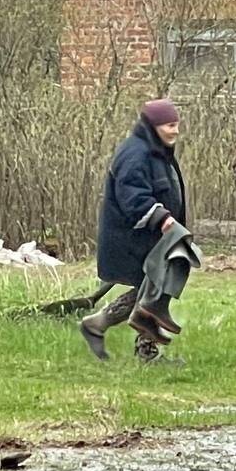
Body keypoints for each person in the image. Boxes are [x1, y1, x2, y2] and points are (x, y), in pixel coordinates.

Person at [80, 98, 190, 362]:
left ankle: (97, 324)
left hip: (151, 234)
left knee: (152, 287)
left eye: (177, 125)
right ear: (153, 126)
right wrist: (162, 218)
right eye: (170, 125)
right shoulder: (135, 153)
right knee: (155, 286)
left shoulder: (156, 150)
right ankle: (144, 351)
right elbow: (132, 196)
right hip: (132, 236)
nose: (175, 131)